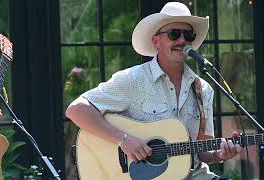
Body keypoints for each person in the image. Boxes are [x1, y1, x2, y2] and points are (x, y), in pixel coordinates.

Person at [66, 2, 242, 179]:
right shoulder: (133, 80)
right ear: (156, 41)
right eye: (174, 34)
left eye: (188, 35)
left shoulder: (202, 89)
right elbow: (77, 110)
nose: (182, 40)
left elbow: (202, 150)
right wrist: (124, 140)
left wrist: (219, 154)